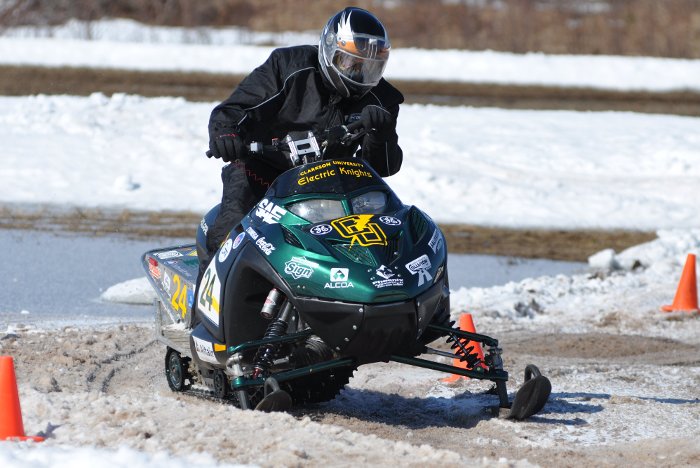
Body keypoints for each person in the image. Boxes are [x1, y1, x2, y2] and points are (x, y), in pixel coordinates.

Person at [202, 6, 404, 271]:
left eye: (369, 68)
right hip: (261, 172)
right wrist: (226, 133)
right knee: (231, 233)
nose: (360, 75)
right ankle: (207, 307)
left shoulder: (382, 99)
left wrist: (382, 133)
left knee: (382, 235)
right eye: (351, 64)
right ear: (330, 50)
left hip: (330, 185)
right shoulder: (288, 67)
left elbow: (383, 168)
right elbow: (234, 110)